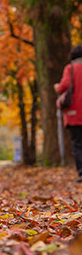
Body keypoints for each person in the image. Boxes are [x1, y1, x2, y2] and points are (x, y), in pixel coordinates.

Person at [54, 44, 82, 182]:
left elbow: (63, 86)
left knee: (77, 143)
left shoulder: (70, 68)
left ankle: (81, 172)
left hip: (75, 112)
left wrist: (56, 87)